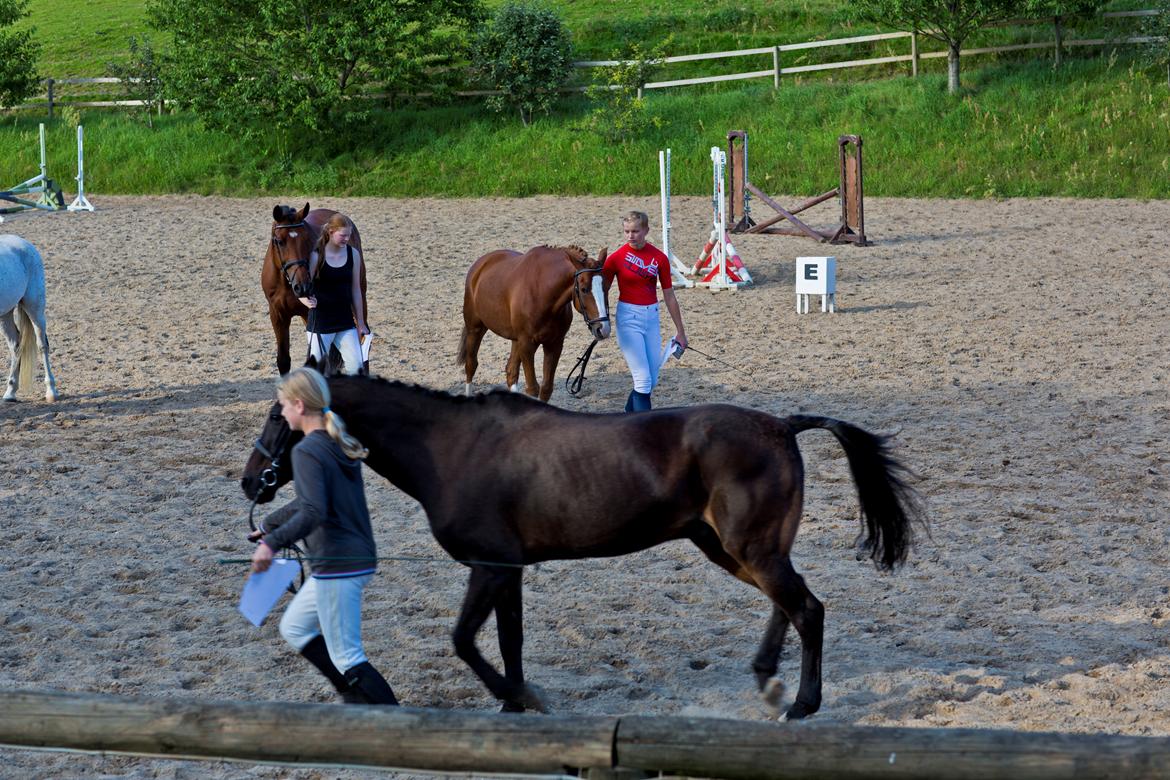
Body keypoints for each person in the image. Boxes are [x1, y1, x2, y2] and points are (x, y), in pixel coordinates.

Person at [249, 366, 397, 705]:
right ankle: (354, 698)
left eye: (284, 405)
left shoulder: (305, 451)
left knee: (347, 655)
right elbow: (308, 500)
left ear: (299, 406)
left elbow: (315, 511)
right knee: (295, 628)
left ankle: (401, 727)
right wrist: (271, 525)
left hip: (338, 563)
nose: (282, 413)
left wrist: (270, 545)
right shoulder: (334, 441)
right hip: (350, 558)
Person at [602, 210, 688, 412]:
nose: (631, 236)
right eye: (627, 231)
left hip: (652, 317)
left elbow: (669, 295)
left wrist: (680, 332)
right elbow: (601, 290)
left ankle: (627, 417)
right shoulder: (615, 259)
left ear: (646, 230)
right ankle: (644, 431)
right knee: (642, 380)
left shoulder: (659, 258)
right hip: (629, 318)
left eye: (635, 231)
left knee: (652, 379)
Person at [298, 214, 368, 375]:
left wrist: (361, 323)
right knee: (318, 372)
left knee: (356, 368)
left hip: (345, 322)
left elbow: (356, 290)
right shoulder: (317, 256)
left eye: (349, 235)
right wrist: (303, 299)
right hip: (320, 324)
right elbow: (302, 285)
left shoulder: (353, 254)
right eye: (343, 235)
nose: (347, 239)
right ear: (330, 232)